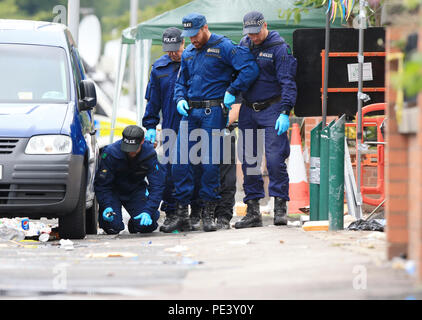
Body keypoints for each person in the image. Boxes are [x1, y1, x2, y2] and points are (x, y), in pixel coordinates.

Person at [171, 13, 259, 232]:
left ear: (205, 28)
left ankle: (209, 213)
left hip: (213, 112)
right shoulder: (189, 52)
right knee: (180, 161)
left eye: (195, 34)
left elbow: (250, 69)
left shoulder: (224, 46)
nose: (192, 40)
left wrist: (232, 90)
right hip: (190, 111)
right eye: (188, 36)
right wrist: (180, 98)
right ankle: (182, 212)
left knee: (210, 164)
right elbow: (181, 82)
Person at [234, 11, 297, 229]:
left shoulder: (279, 48)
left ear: (265, 26)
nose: (253, 36)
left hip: (273, 108)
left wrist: (285, 111)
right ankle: (252, 211)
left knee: (274, 160)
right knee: (249, 162)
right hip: (248, 110)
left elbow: (288, 81)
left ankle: (280, 208)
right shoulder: (244, 44)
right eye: (249, 33)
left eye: (256, 32)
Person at [94, 125, 165, 234]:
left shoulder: (149, 154)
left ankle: (135, 223)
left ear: (142, 142)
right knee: (112, 227)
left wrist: (148, 210)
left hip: (135, 190)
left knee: (147, 226)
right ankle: (109, 220)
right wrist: (106, 205)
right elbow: (102, 184)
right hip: (113, 191)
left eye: (134, 149)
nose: (131, 152)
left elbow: (157, 185)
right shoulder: (110, 152)